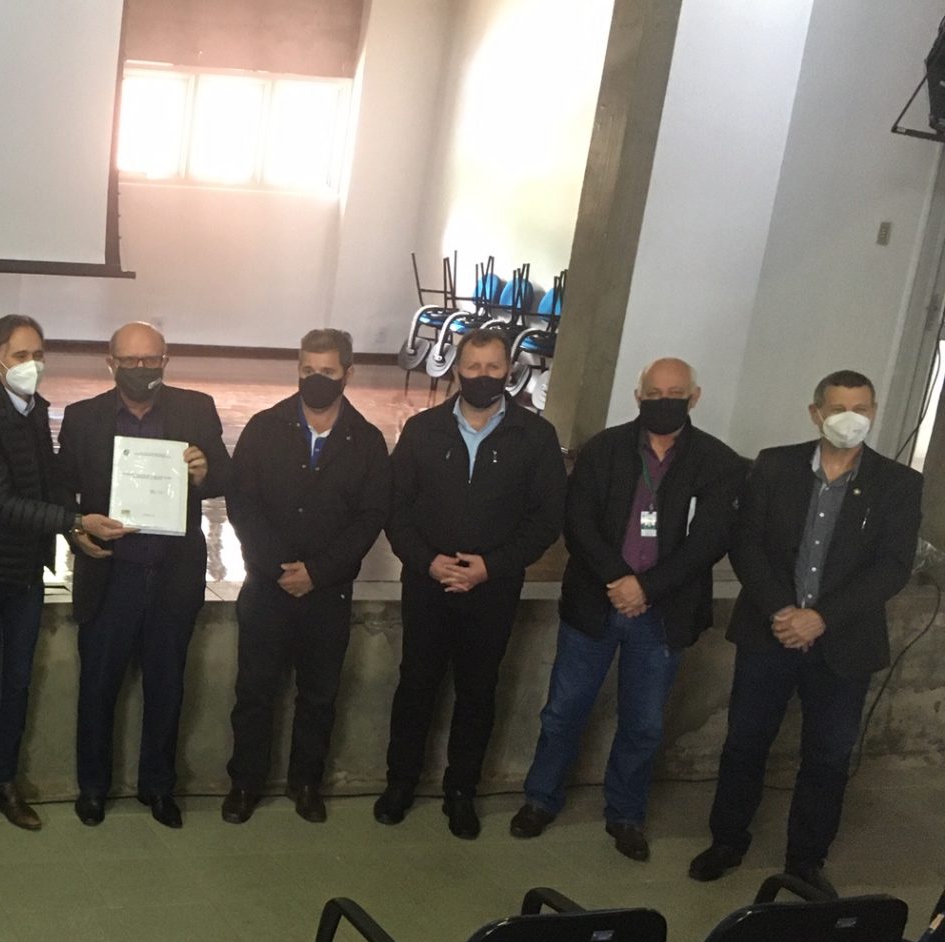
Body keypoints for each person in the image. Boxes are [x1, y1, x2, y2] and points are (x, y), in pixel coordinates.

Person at [690, 370, 921, 893]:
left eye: (861, 408)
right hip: (768, 632)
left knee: (828, 757)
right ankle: (726, 841)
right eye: (838, 408)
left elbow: (892, 567)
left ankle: (806, 859)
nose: (850, 418)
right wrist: (782, 610)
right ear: (816, 413)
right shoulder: (774, 466)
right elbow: (746, 542)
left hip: (844, 642)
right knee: (745, 743)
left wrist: (821, 617)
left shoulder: (898, 483)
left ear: (874, 412)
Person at [510, 359, 745, 859]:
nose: (664, 401)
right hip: (596, 601)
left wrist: (647, 588)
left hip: (663, 614)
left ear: (695, 397)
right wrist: (618, 580)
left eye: (675, 392)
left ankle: (625, 813)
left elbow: (709, 541)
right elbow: (579, 522)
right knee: (563, 711)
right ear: (638, 397)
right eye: (654, 393)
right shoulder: (603, 449)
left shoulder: (718, 461)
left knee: (644, 724)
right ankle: (540, 799)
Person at [0, 314, 129, 834]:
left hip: (24, 572)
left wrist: (74, 528)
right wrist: (74, 521)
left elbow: (47, 484)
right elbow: (0, 502)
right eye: (20, 355)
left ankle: (3, 783)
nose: (33, 365)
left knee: (16, 682)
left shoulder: (34, 410)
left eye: (39, 355)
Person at [376, 329, 566, 838]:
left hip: (493, 589)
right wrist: (427, 562)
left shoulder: (535, 436)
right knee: (416, 686)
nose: (483, 375)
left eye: (493, 367)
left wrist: (492, 566)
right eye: (474, 366)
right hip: (427, 584)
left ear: (510, 371)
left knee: (478, 693)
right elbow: (395, 508)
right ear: (457, 369)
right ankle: (400, 783)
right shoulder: (422, 430)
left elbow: (546, 519)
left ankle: (461, 791)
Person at [57, 321, 228, 828]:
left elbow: (227, 474)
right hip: (110, 573)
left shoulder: (197, 409)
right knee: (97, 687)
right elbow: (60, 489)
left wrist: (206, 473)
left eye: (150, 359)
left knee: (167, 687)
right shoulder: (83, 417)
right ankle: (93, 788)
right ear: (110, 363)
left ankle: (159, 787)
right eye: (129, 360)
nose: (140, 368)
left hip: (172, 573)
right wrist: (76, 528)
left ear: (165, 361)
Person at [222, 328, 389, 825]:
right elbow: (242, 503)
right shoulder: (263, 428)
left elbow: (370, 517)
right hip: (266, 588)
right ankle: (245, 783)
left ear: (348, 374)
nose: (316, 378)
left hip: (327, 594)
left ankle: (306, 783)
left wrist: (318, 572)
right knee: (254, 692)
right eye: (307, 370)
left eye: (327, 371)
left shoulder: (367, 441)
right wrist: (277, 567)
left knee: (319, 696)